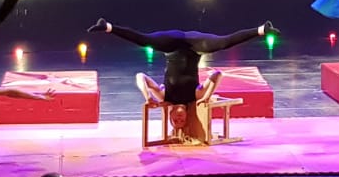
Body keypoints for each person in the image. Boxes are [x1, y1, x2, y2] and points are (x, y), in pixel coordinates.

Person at [89, 18, 275, 142]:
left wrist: (147, 96)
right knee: (223, 43)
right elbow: (217, 74)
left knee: (145, 40)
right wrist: (206, 97)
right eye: (181, 120)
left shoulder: (164, 97)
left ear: (170, 116)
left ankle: (107, 26)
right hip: (195, 45)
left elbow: (140, 77)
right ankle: (262, 29)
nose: (178, 118)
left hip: (170, 45)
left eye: (175, 120)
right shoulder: (196, 97)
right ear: (186, 117)